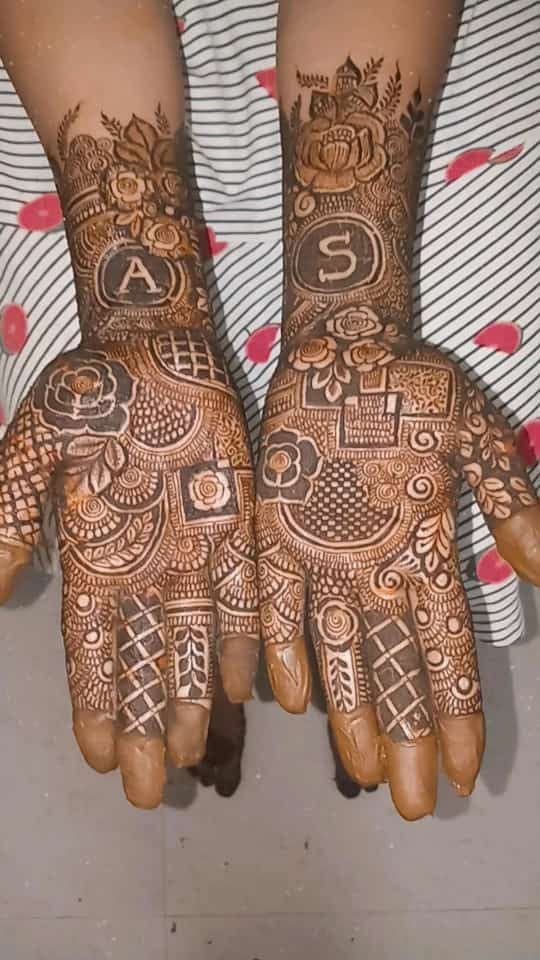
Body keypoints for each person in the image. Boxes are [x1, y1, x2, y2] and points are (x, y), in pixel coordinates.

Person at [0, 0, 538, 819]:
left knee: (383, 524)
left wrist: (352, 310)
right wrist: (140, 314)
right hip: (71, 60)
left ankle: (318, 654)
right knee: (133, 509)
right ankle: (225, 666)